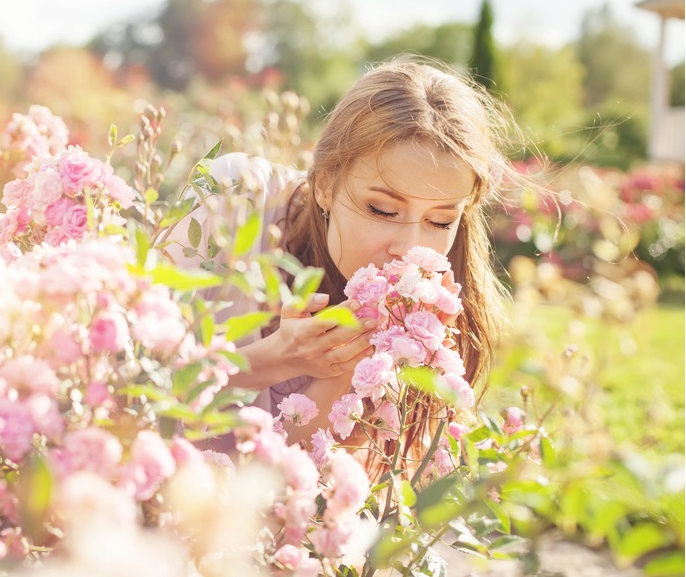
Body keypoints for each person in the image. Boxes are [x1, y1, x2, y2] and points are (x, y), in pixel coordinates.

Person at [167, 58, 515, 473]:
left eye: (440, 220)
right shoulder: (233, 197)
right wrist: (273, 358)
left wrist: (345, 369)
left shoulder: (430, 315)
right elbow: (123, 388)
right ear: (326, 185)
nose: (408, 247)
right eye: (382, 209)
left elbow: (282, 484)